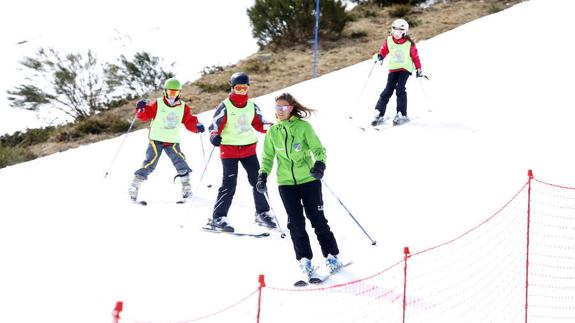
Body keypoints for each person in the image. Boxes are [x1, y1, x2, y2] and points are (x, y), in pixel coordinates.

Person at [256, 93, 343, 279]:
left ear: (291, 108)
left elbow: (318, 149)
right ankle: (304, 259)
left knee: (317, 219)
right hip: (286, 184)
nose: (279, 111)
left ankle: (331, 255)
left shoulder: (303, 127)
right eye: (277, 108)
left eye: (283, 107)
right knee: (295, 223)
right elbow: (268, 157)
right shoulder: (273, 132)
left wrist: (319, 164)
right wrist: (262, 175)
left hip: (309, 180)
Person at [206, 72, 276, 232]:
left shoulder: (252, 106)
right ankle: (218, 217)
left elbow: (260, 124)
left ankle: (262, 213)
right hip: (229, 150)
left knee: (259, 181)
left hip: (248, 149)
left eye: (244, 88)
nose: (241, 91)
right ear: (232, 89)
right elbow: (214, 127)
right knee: (229, 184)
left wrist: (273, 128)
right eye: (238, 88)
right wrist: (214, 136)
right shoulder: (225, 106)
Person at [128, 78, 205, 202]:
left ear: (179, 93)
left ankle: (186, 187)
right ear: (165, 91)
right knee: (150, 162)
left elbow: (189, 120)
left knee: (180, 161)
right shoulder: (157, 103)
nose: (172, 95)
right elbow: (145, 115)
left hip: (172, 140)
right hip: (156, 139)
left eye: (175, 93)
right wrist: (141, 109)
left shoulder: (183, 107)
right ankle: (135, 185)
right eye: (170, 92)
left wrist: (196, 126)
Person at [371, 18, 423, 126]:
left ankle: (401, 113)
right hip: (393, 69)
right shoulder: (389, 40)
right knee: (388, 89)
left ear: (404, 32)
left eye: (400, 32)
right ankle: (379, 112)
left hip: (405, 69)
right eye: (394, 31)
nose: (397, 34)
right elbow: (384, 50)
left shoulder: (409, 43)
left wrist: (419, 68)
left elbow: (415, 57)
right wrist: (380, 56)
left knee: (400, 88)